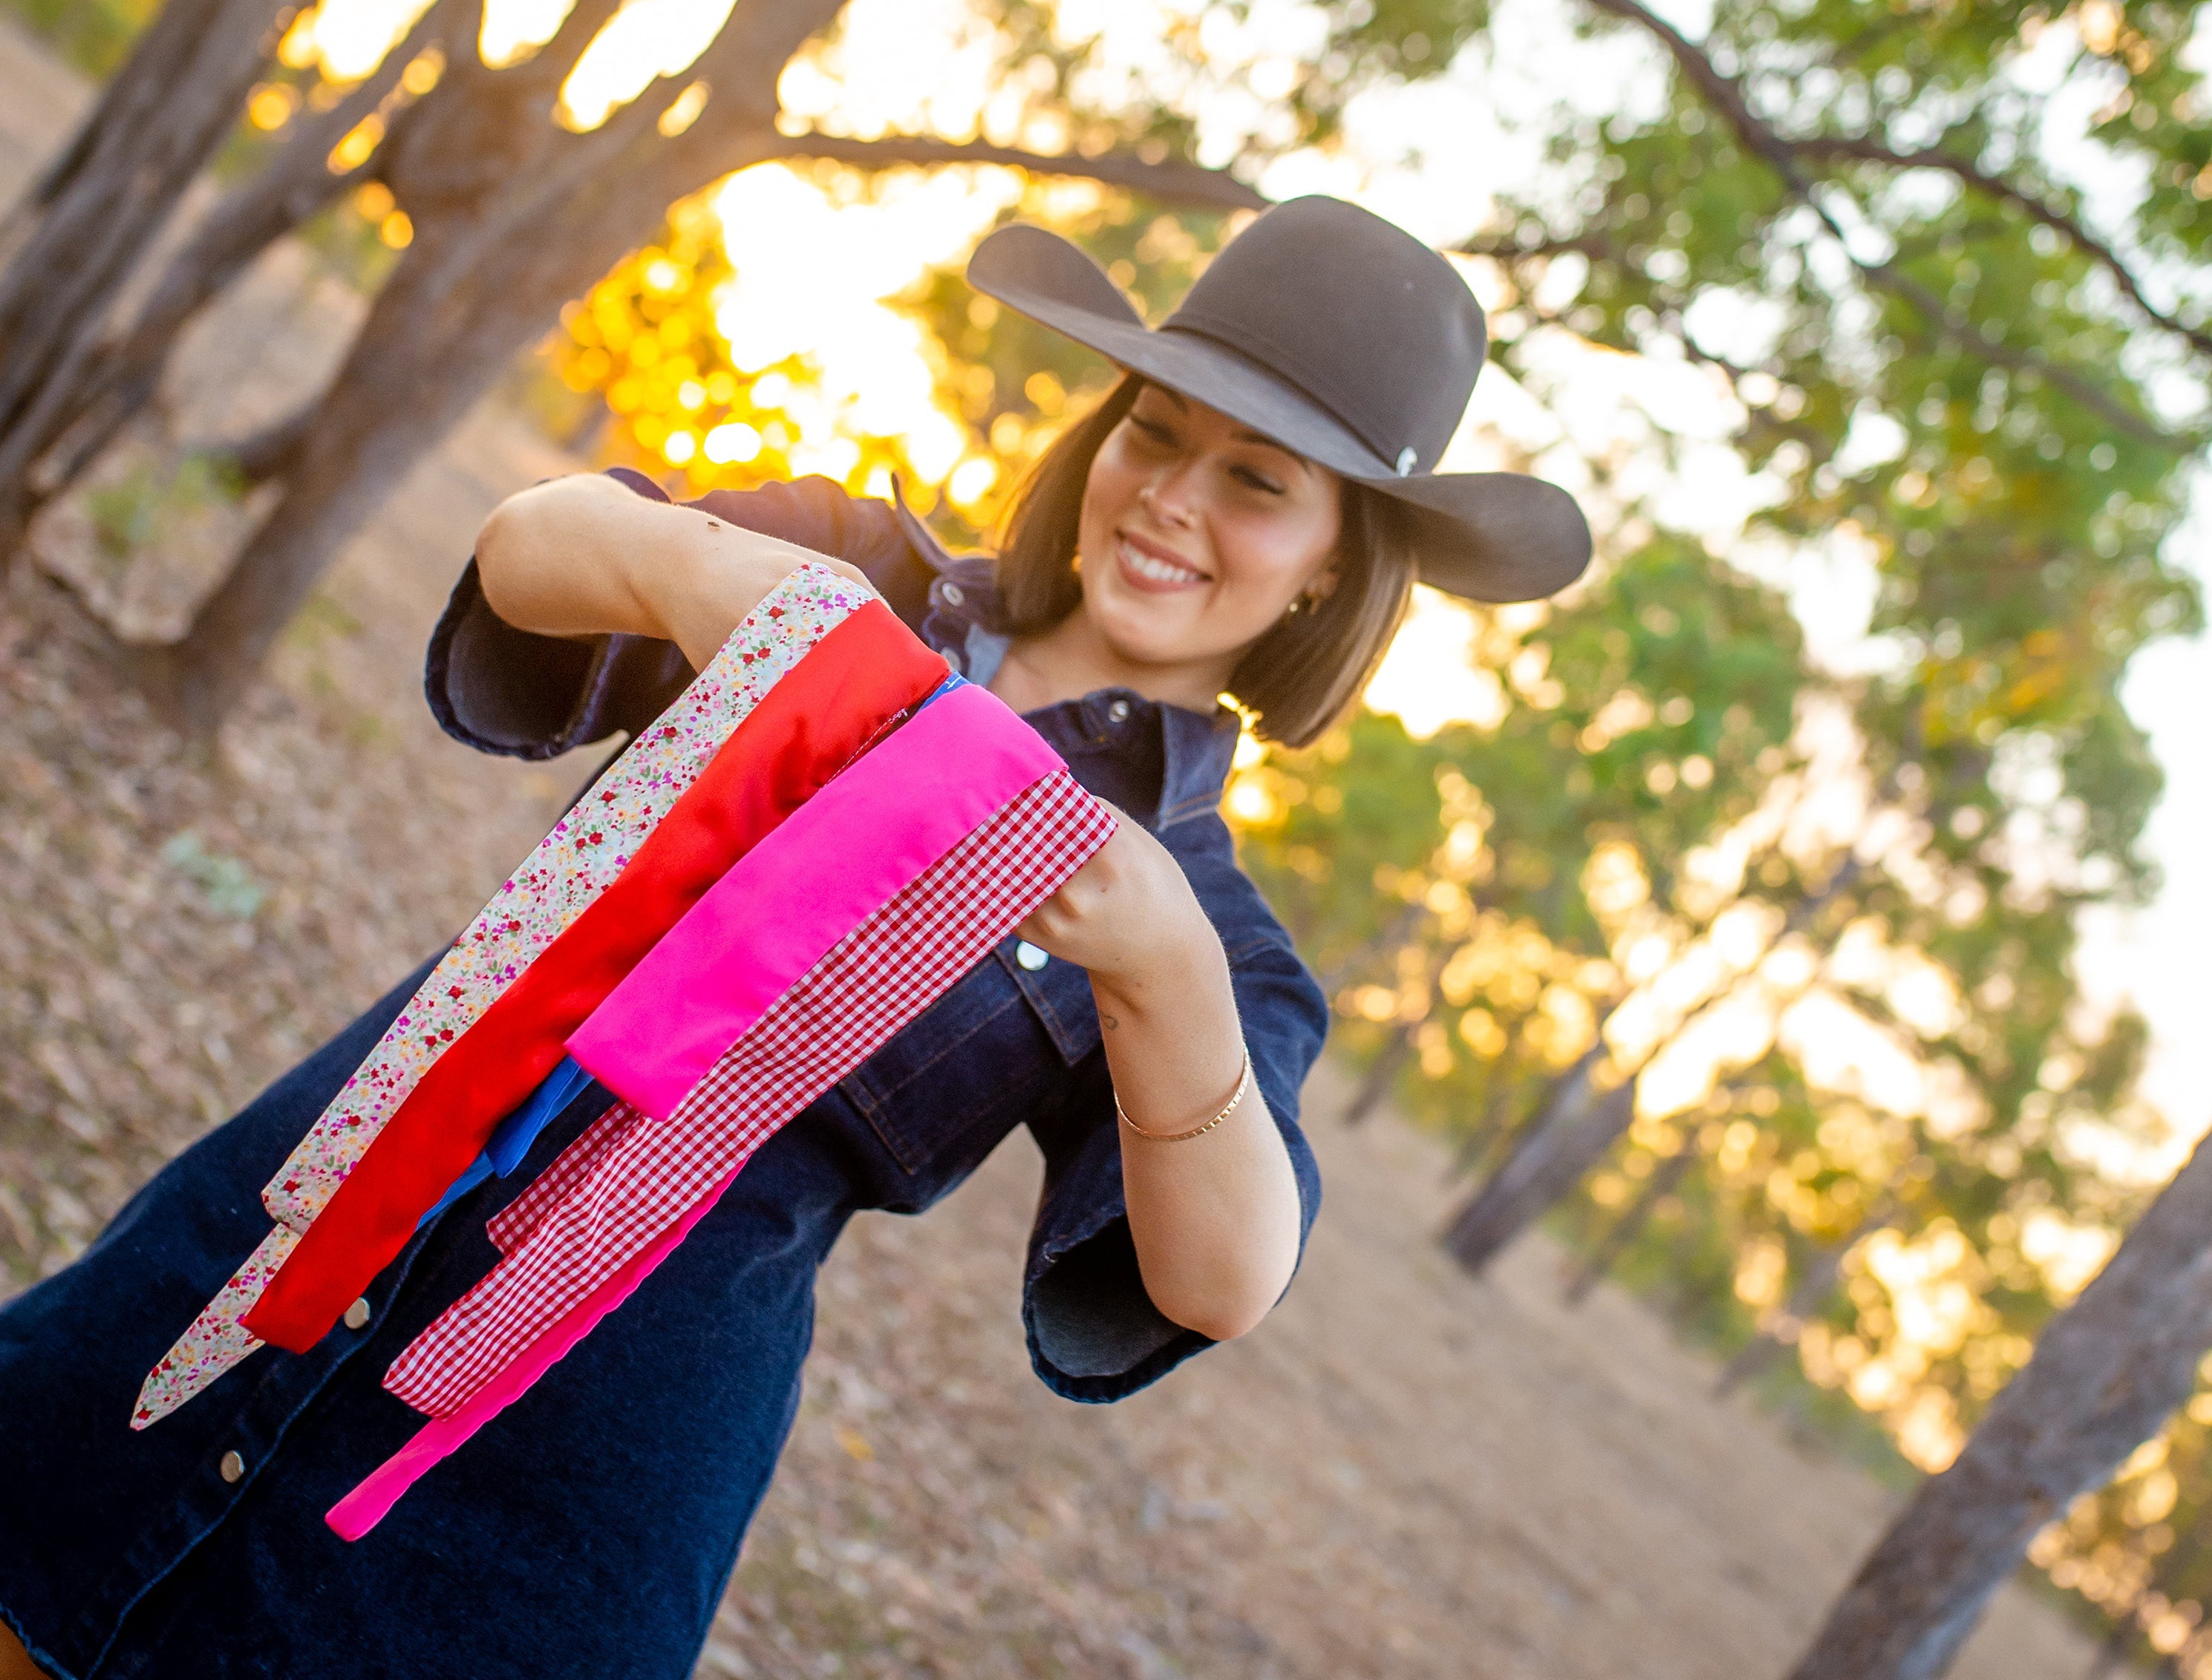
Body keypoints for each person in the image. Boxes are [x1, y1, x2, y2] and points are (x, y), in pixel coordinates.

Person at [0, 195, 1588, 1679]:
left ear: (1330, 567)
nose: (1170, 498)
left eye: (1257, 481)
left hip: (565, 1453)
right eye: (1153, 432)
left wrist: (1158, 964)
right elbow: (525, 555)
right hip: (312, 1197)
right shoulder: (850, 565)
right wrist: (701, 570)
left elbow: (1228, 1269)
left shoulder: (1203, 921)